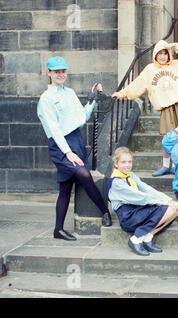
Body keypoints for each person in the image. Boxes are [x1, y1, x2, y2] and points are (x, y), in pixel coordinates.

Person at [37, 56, 112, 241]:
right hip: (61, 145)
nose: (61, 74)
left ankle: (58, 229)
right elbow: (54, 129)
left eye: (63, 71)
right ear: (49, 73)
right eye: (56, 71)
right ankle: (105, 212)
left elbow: (82, 117)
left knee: (65, 187)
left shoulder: (69, 92)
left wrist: (93, 98)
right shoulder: (46, 99)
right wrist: (67, 152)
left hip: (76, 140)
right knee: (84, 175)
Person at [112, 40, 178, 177]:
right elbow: (136, 85)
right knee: (168, 137)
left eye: (165, 53)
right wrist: (121, 94)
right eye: (160, 53)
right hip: (167, 107)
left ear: (169, 54)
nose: (163, 56)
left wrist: (177, 46)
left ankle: (177, 165)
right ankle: (165, 165)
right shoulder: (150, 70)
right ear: (155, 55)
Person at [104, 147, 178, 256]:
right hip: (128, 216)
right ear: (116, 164)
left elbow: (147, 189)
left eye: (129, 162)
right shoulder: (116, 182)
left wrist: (169, 200)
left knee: (176, 209)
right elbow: (141, 197)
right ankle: (136, 239)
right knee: (169, 208)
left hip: (138, 210)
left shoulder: (130, 175)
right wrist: (165, 202)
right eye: (123, 162)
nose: (127, 165)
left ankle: (148, 237)